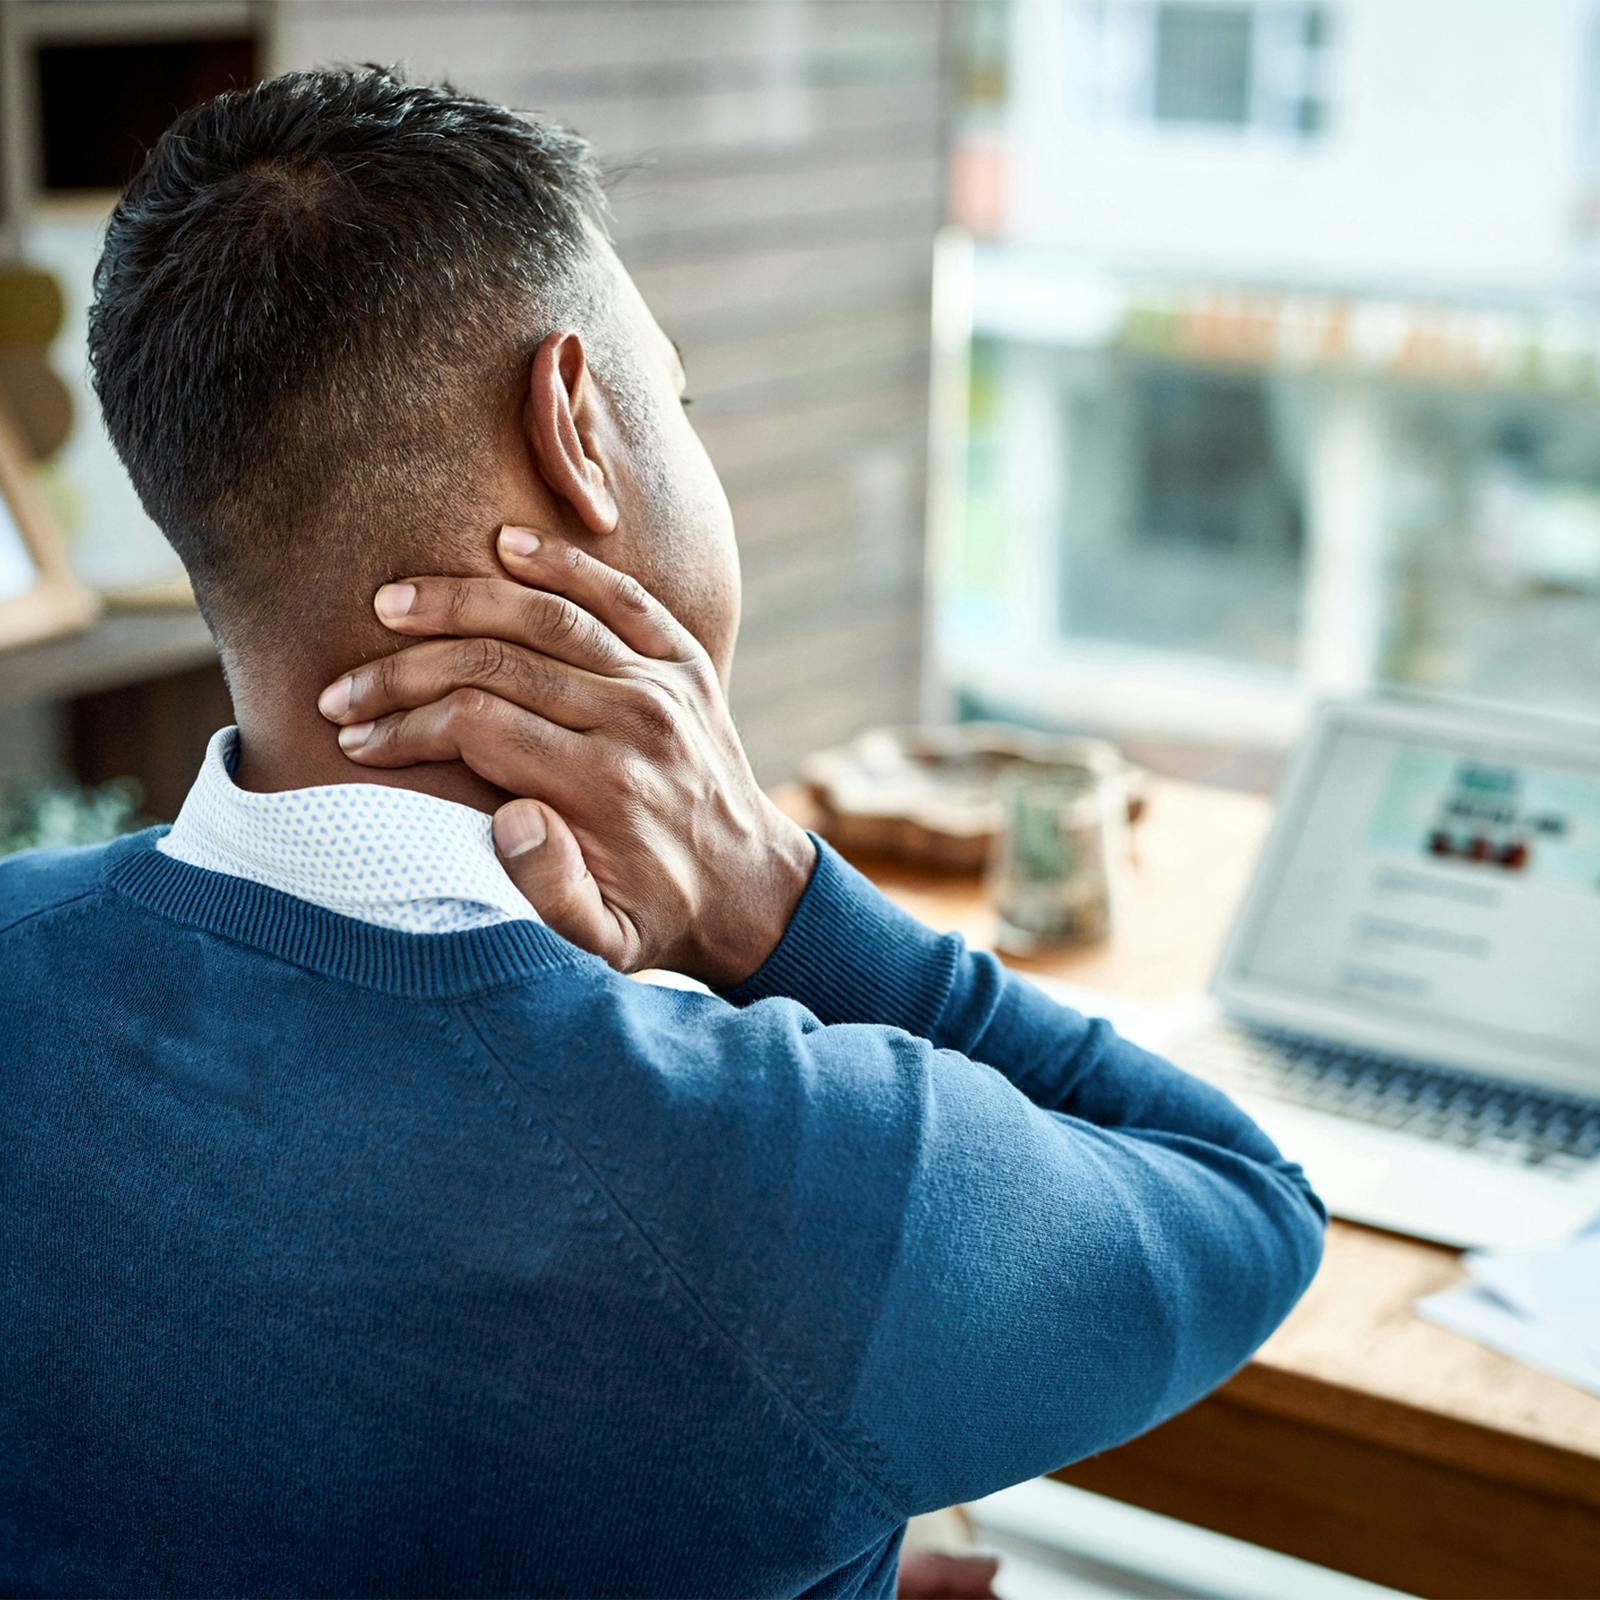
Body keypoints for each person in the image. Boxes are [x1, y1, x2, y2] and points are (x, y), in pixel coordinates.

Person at [0, 67, 1325, 1599]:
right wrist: (764, 899)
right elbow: (1241, 1201)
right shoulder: (799, 1175)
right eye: (672, 402)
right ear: (578, 426)